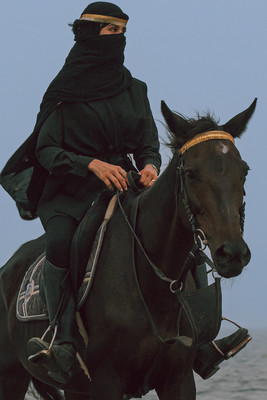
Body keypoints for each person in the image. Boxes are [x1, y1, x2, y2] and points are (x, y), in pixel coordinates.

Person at [0, 1, 250, 385]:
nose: (119, 39)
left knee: (181, 233)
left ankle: (200, 339)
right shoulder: (63, 92)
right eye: (111, 31)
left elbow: (146, 140)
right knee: (63, 243)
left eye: (122, 32)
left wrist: (149, 165)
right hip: (69, 192)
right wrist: (91, 165)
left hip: (124, 184)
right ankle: (62, 339)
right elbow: (46, 150)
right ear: (89, 35)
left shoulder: (135, 89)